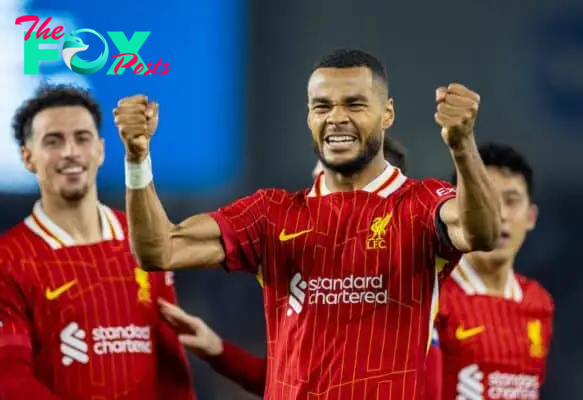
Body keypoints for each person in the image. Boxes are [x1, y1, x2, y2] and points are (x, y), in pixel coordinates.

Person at [114, 48, 501, 399]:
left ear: (387, 114)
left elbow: (481, 232)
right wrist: (136, 158)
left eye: (354, 104)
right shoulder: (271, 213)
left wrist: (462, 145)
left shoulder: (420, 204)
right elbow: (158, 249)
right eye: (322, 106)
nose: (336, 118)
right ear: (308, 115)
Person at [159, 137, 409, 397]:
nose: (317, 186)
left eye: (327, 175)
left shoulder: (414, 268)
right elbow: (291, 382)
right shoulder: (309, 255)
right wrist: (218, 350)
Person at [0, 84, 195, 399]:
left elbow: (172, 368)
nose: (70, 152)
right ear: (28, 157)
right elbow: (9, 377)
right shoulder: (9, 259)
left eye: (82, 138)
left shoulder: (143, 239)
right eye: (53, 141)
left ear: (101, 150)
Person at [424, 142, 554, 400]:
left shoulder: (540, 303)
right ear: (460, 211)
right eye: (485, 200)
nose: (500, 215)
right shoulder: (431, 295)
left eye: (512, 201)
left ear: (531, 217)